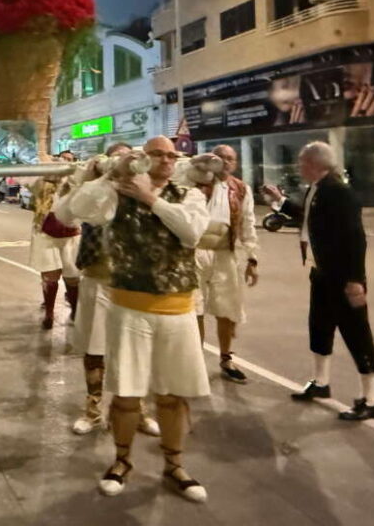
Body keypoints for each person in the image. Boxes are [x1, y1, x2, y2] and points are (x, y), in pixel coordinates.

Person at [62, 136, 211, 503]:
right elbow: (69, 213)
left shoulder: (189, 194)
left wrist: (150, 198)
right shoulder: (116, 194)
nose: (164, 160)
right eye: (155, 154)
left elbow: (191, 233)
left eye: (170, 155)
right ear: (143, 157)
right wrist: (106, 174)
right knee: (127, 393)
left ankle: (174, 464)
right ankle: (122, 460)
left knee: (173, 396)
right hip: (129, 307)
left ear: (176, 160)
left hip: (177, 308)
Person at [263, 141, 374, 421]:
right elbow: (307, 219)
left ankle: (371, 399)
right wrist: (279, 201)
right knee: (320, 328)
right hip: (321, 273)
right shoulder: (317, 189)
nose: (299, 167)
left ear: (315, 164)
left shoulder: (339, 192)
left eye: (302, 162)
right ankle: (320, 383)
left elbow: (356, 239)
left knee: (356, 334)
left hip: (342, 277)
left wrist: (355, 280)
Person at [55, 142, 160, 438]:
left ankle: (137, 408)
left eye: (129, 159)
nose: (124, 165)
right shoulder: (93, 189)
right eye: (118, 159)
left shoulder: (147, 190)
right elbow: (64, 215)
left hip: (135, 283)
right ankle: (93, 408)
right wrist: (88, 178)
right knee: (94, 350)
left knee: (136, 351)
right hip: (97, 279)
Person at [194, 144, 259, 384]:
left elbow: (247, 224)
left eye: (230, 158)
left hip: (224, 254)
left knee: (227, 309)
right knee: (194, 308)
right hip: (195, 253)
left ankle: (226, 358)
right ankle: (195, 361)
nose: (225, 162)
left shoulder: (241, 189)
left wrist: (252, 258)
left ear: (236, 163)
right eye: (220, 157)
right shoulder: (195, 184)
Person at [29, 150, 80, 329]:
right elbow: (27, 181)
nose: (63, 162)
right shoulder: (42, 180)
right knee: (50, 275)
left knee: (72, 276)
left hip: (71, 234)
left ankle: (75, 310)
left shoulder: (76, 181)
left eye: (68, 160)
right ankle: (49, 313)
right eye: (61, 159)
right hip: (47, 232)